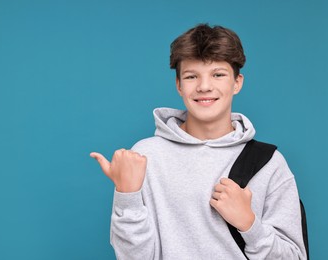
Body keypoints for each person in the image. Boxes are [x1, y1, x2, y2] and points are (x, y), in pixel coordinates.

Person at [90, 23, 306, 259]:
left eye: (218, 75)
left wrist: (249, 224)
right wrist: (127, 195)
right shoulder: (144, 157)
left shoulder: (269, 164)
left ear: (237, 83)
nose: (204, 86)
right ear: (179, 85)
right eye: (192, 76)